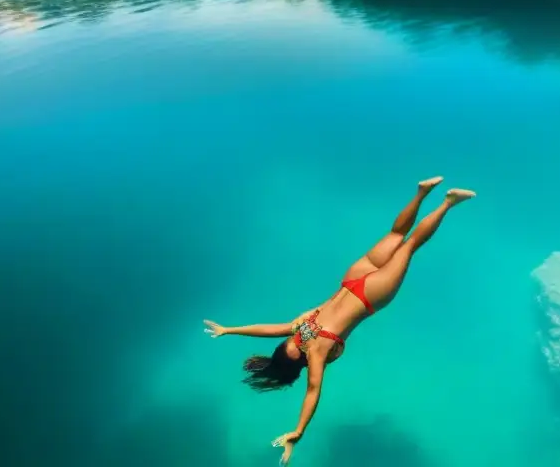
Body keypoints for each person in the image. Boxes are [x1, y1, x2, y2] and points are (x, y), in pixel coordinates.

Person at [202, 177, 475, 465]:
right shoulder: (298, 330)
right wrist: (228, 330)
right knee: (396, 235)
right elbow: (269, 330)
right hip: (352, 279)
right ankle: (422, 193)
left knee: (409, 246)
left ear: (298, 362)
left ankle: (448, 201)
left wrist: (299, 431)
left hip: (370, 295)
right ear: (284, 349)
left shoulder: (315, 353)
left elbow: (312, 391)